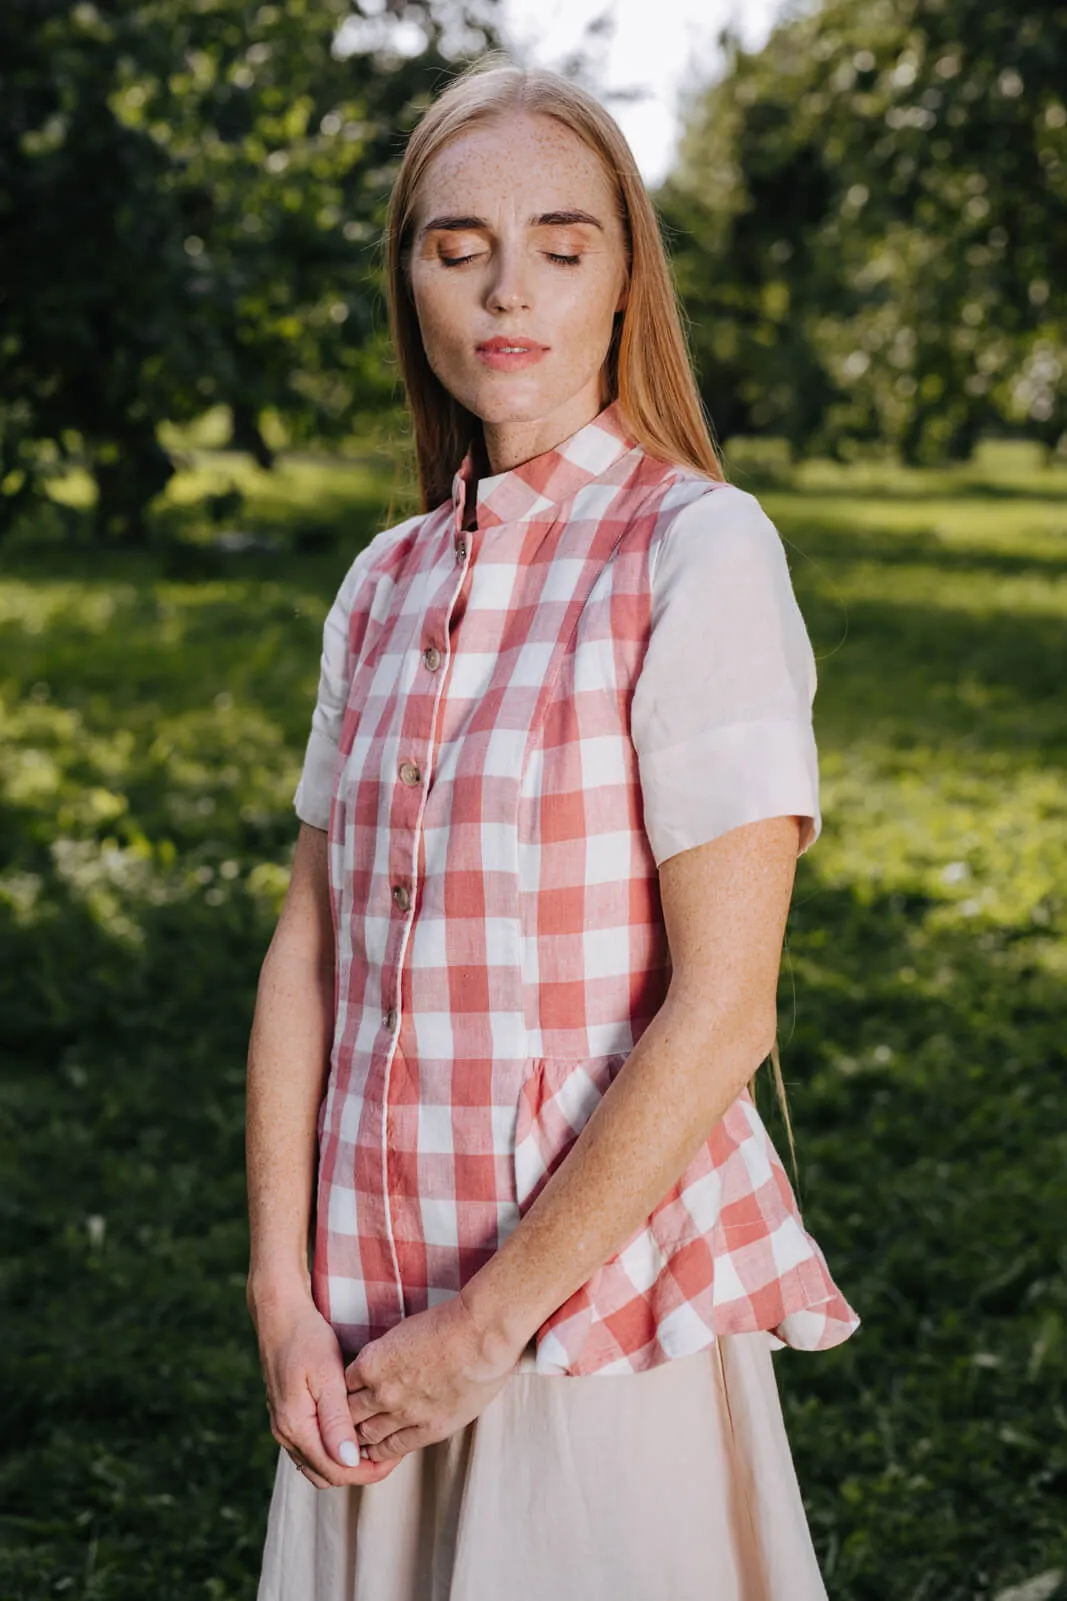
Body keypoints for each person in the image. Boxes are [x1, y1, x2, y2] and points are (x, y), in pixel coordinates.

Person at [246, 53, 860, 1601]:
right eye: (457, 250)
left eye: (560, 247)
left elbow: (723, 1009)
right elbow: (308, 954)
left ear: (621, 281)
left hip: (585, 1317)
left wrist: (486, 1324)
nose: (506, 291)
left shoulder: (698, 552)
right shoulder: (382, 584)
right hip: (365, 1305)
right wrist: (281, 1297)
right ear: (409, 281)